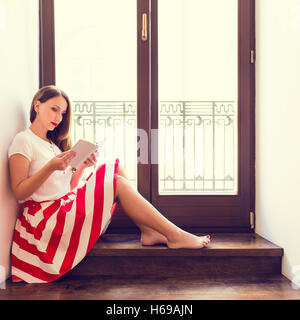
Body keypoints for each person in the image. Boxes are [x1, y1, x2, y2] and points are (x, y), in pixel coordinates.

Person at [8, 85, 210, 283]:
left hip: (61, 207)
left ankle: (148, 231)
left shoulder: (52, 144)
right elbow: (19, 193)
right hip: (44, 221)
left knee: (115, 167)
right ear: (37, 106)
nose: (58, 118)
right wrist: (51, 167)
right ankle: (174, 235)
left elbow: (67, 188)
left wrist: (82, 166)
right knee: (118, 183)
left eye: (62, 113)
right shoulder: (23, 140)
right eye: (54, 109)